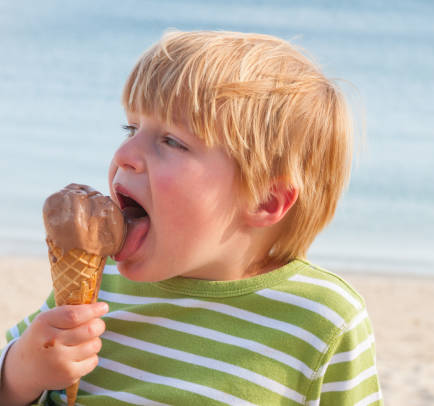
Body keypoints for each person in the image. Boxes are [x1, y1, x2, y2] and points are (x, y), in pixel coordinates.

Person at [0, 30, 382, 405]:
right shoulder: (100, 284)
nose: (125, 153)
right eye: (131, 128)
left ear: (266, 200)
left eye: (172, 141)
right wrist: (21, 372)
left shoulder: (322, 318)